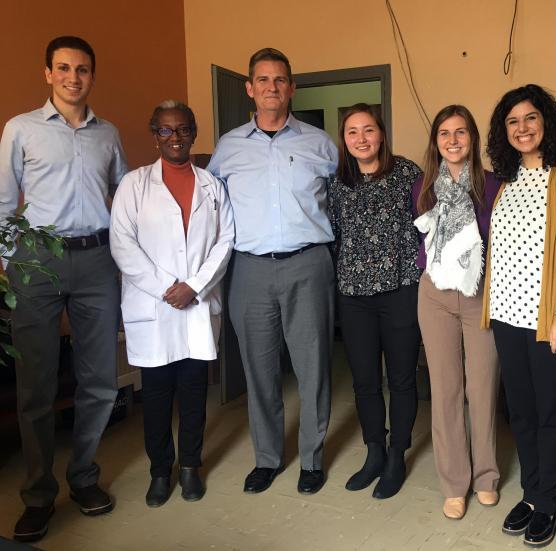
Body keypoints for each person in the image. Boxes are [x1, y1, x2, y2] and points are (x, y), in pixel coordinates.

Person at [0, 36, 128, 543]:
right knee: (36, 382)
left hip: (97, 259)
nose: (74, 77)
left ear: (92, 76)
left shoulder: (109, 134)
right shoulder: (20, 129)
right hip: (38, 260)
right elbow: (5, 203)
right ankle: (37, 495)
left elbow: (122, 194)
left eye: (83, 69)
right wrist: (11, 263)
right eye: (64, 68)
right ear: (48, 73)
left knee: (99, 379)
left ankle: (83, 478)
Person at [207, 47, 337, 495]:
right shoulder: (228, 147)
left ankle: (313, 458)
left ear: (292, 87)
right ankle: (267, 458)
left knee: (313, 367)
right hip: (250, 270)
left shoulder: (320, 144)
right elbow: (211, 209)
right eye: (263, 80)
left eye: (280, 80)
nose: (272, 88)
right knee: (258, 369)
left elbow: (343, 200)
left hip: (309, 265)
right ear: (249, 88)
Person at [109, 100, 234, 507]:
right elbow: (122, 244)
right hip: (155, 306)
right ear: (154, 136)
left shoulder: (212, 185)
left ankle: (190, 467)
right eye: (166, 130)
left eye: (182, 129)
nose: (175, 137)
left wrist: (194, 286)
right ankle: (160, 470)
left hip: (195, 306)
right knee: (158, 396)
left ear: (193, 133)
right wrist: (169, 287)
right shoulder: (134, 185)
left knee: (194, 392)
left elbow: (225, 241)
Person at [483, 84, 556, 547]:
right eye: (512, 121)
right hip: (505, 315)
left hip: (548, 319)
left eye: (530, 118)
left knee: (548, 413)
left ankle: (548, 500)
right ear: (504, 132)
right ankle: (529, 492)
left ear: (546, 122)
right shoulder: (504, 179)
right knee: (519, 412)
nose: (522, 128)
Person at [412, 105, 502, 520]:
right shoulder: (423, 188)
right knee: (445, 390)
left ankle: (486, 477)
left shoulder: (493, 185)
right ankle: (454, 483)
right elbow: (422, 241)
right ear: (436, 142)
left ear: (473, 139)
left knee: (481, 389)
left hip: (479, 294)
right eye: (444, 133)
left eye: (461, 132)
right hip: (435, 295)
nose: (452, 141)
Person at [328, 104, 421, 499]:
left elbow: (427, 228)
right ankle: (374, 451)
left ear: (381, 134)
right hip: (354, 298)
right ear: (344, 139)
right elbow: (333, 234)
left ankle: (398, 453)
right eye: (352, 132)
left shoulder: (407, 174)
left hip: (400, 291)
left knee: (401, 378)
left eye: (368, 130)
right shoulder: (337, 183)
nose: (361, 138)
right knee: (365, 380)